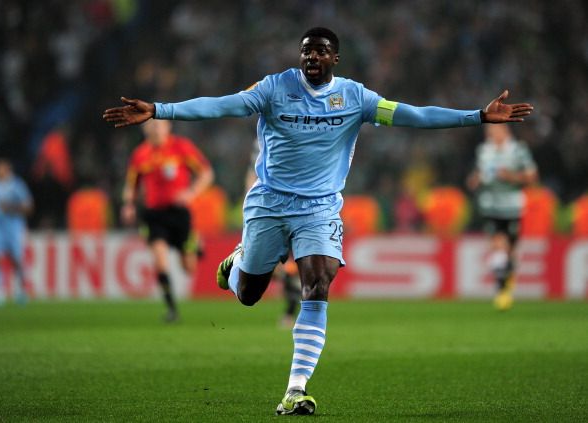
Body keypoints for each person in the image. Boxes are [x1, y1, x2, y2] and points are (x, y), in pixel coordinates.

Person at [103, 27, 533, 415]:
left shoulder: (356, 99)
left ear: (335, 59)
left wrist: (476, 116)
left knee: (318, 282)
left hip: (320, 208)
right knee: (249, 295)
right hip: (269, 203)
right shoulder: (274, 89)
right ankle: (236, 266)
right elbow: (223, 105)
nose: (311, 57)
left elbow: (413, 115)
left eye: (320, 52)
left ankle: (296, 389)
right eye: (306, 51)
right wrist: (160, 110)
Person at [121, 119, 214, 322]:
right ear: (144, 129)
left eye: (158, 124)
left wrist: (191, 192)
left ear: (167, 127)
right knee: (160, 262)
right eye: (150, 125)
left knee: (188, 268)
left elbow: (206, 173)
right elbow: (131, 184)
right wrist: (128, 204)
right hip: (154, 216)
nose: (154, 128)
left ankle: (194, 244)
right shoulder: (140, 154)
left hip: (179, 213)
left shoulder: (181, 147)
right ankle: (172, 308)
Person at [467, 124, 538, 310]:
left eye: (495, 130)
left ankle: (506, 281)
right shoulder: (484, 150)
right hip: (490, 205)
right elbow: (479, 174)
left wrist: (511, 177)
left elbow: (532, 177)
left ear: (506, 131)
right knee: (498, 243)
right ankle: (501, 289)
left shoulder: (518, 150)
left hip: (512, 206)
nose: (491, 134)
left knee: (510, 251)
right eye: (489, 131)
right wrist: (475, 180)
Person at [245, 139, 301, 329]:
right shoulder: (263, 140)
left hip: (302, 206)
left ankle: (292, 309)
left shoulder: (306, 130)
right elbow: (252, 173)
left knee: (297, 262)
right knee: (277, 267)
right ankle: (291, 290)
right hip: (271, 207)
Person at [0, 158, 33, 306]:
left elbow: (29, 208)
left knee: (17, 259)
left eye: (1, 168)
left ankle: (21, 289)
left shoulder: (17, 185)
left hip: (15, 226)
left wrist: (10, 207)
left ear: (8, 169)